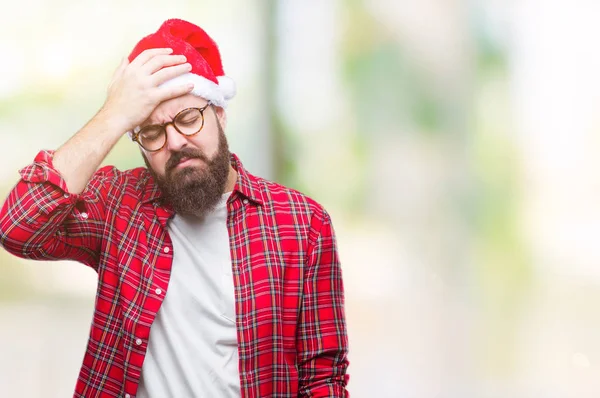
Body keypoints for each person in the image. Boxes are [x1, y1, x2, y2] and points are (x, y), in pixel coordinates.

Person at [0, 19, 349, 398]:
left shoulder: (302, 224)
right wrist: (114, 115)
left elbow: (322, 379)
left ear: (220, 113)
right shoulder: (119, 205)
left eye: (188, 118)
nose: (176, 141)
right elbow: (19, 227)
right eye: (152, 132)